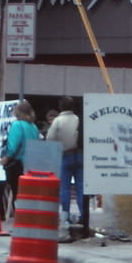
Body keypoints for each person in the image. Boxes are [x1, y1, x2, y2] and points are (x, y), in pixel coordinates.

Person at [46, 96, 85, 224]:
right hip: (80, 155)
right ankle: (84, 216)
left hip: (65, 155)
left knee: (65, 188)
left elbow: (50, 139)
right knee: (81, 187)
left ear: (60, 107)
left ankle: (65, 216)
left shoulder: (58, 121)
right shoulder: (79, 119)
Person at [0, 99, 41, 213]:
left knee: (16, 190)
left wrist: (7, 157)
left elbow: (13, 144)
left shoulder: (17, 125)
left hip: (18, 163)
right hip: (32, 163)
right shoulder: (33, 127)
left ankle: (20, 215)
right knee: (28, 192)